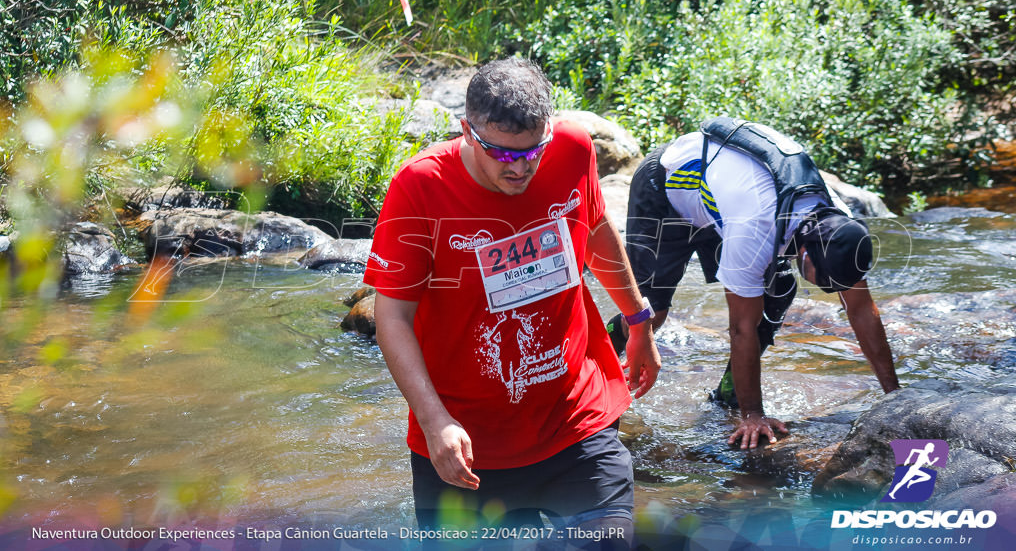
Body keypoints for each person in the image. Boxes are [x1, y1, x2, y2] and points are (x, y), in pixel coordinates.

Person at [364, 57, 661, 545]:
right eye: (502, 154)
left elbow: (596, 229)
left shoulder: (571, 148)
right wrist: (436, 421)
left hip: (574, 423)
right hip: (466, 445)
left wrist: (638, 320)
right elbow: (391, 315)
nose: (521, 167)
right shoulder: (419, 188)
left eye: (533, 151)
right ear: (467, 130)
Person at [608, 116, 899, 450]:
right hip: (667, 186)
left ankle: (728, 396)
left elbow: (861, 309)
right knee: (651, 312)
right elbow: (741, 328)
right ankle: (590, 360)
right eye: (825, 284)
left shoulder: (837, 222)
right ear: (804, 253)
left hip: (721, 197)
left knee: (778, 292)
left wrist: (894, 395)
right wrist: (753, 416)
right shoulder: (755, 227)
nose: (828, 292)